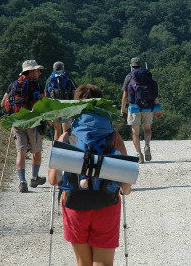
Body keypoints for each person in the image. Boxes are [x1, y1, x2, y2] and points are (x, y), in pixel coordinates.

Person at [48, 84, 132, 266]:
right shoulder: (115, 137)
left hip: (74, 204)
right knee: (104, 263)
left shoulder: (66, 137)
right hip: (107, 204)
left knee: (83, 262)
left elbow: (54, 180)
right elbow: (126, 187)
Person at [0, 60, 46, 193]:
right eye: (37, 70)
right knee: (36, 152)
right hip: (32, 122)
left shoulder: (13, 85)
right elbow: (41, 104)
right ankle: (34, 177)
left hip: (17, 121)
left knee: (21, 152)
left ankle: (22, 182)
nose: (39, 73)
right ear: (30, 72)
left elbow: (3, 104)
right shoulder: (37, 85)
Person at [121, 57, 161, 163]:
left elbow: (125, 95)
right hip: (148, 106)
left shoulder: (129, 77)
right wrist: (157, 108)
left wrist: (122, 108)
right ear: (141, 66)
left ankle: (139, 154)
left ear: (131, 66)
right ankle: (147, 145)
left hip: (134, 107)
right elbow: (155, 94)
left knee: (135, 132)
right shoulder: (148, 76)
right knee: (147, 129)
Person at [45, 61, 77, 140]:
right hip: (66, 106)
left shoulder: (49, 80)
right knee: (66, 131)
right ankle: (65, 148)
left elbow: (46, 95)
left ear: (54, 69)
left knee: (57, 130)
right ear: (63, 68)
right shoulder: (68, 79)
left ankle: (56, 148)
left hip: (54, 107)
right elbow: (75, 93)